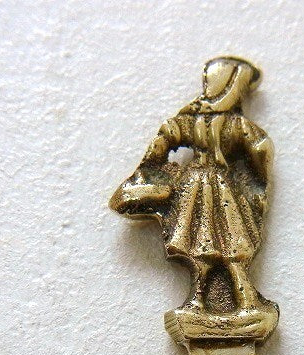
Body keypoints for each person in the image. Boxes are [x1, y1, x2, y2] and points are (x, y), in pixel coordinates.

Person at [110, 57, 275, 317]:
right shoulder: (236, 124)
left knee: (199, 243)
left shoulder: (188, 119)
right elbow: (261, 148)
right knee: (232, 242)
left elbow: (162, 142)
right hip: (222, 187)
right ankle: (244, 301)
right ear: (230, 86)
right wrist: (258, 176)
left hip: (193, 188)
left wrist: (155, 169)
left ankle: (201, 301)